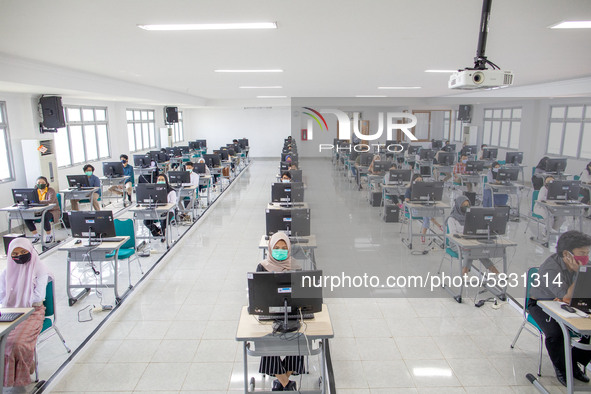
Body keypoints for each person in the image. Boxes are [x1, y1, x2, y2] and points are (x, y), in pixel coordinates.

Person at [528, 231, 591, 387]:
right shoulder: (551, 269)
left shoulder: (582, 264)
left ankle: (573, 361)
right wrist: (580, 273)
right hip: (541, 305)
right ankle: (562, 368)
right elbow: (566, 297)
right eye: (582, 253)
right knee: (555, 334)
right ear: (566, 254)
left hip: (567, 304)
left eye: (588, 253)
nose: (586, 257)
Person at [0, 238, 51, 388]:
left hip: (32, 312)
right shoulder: (6, 272)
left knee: (16, 343)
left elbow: (38, 297)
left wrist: (17, 298)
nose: (20, 255)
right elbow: (2, 296)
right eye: (15, 253)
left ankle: (18, 381)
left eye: (24, 252)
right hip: (10, 310)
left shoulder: (40, 269)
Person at [256, 232, 303, 391]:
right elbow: (257, 294)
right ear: (270, 248)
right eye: (277, 248)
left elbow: (304, 294)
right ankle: (287, 384)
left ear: (289, 249)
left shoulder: (296, 267)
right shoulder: (262, 267)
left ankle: (283, 382)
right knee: (267, 340)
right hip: (269, 316)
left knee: (300, 339)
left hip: (292, 314)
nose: (281, 251)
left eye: (284, 248)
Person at [446, 196, 500, 276]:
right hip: (456, 244)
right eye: (464, 205)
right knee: (471, 251)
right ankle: (464, 273)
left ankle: (497, 273)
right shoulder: (452, 219)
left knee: (480, 251)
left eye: (468, 205)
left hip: (469, 242)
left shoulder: (471, 216)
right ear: (458, 206)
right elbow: (453, 234)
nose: (466, 207)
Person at [405, 174, 444, 242]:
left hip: (423, 209)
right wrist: (413, 202)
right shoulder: (409, 189)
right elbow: (406, 200)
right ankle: (438, 226)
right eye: (417, 180)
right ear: (413, 181)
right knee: (427, 213)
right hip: (413, 210)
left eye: (421, 180)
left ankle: (424, 235)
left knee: (426, 214)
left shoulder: (425, 189)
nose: (419, 182)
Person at [24, 176, 60, 244]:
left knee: (45, 216)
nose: (40, 184)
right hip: (38, 211)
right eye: (38, 183)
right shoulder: (34, 191)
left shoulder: (50, 190)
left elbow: (50, 201)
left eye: (42, 182)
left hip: (51, 210)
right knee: (26, 217)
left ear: (46, 183)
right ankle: (36, 235)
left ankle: (49, 235)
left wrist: (38, 201)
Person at [143, 174, 177, 242]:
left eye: (162, 180)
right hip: (155, 211)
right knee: (146, 221)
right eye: (159, 180)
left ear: (166, 181)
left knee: (163, 220)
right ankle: (156, 232)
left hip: (168, 212)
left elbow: (173, 204)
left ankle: (163, 234)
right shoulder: (153, 191)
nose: (160, 181)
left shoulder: (171, 191)